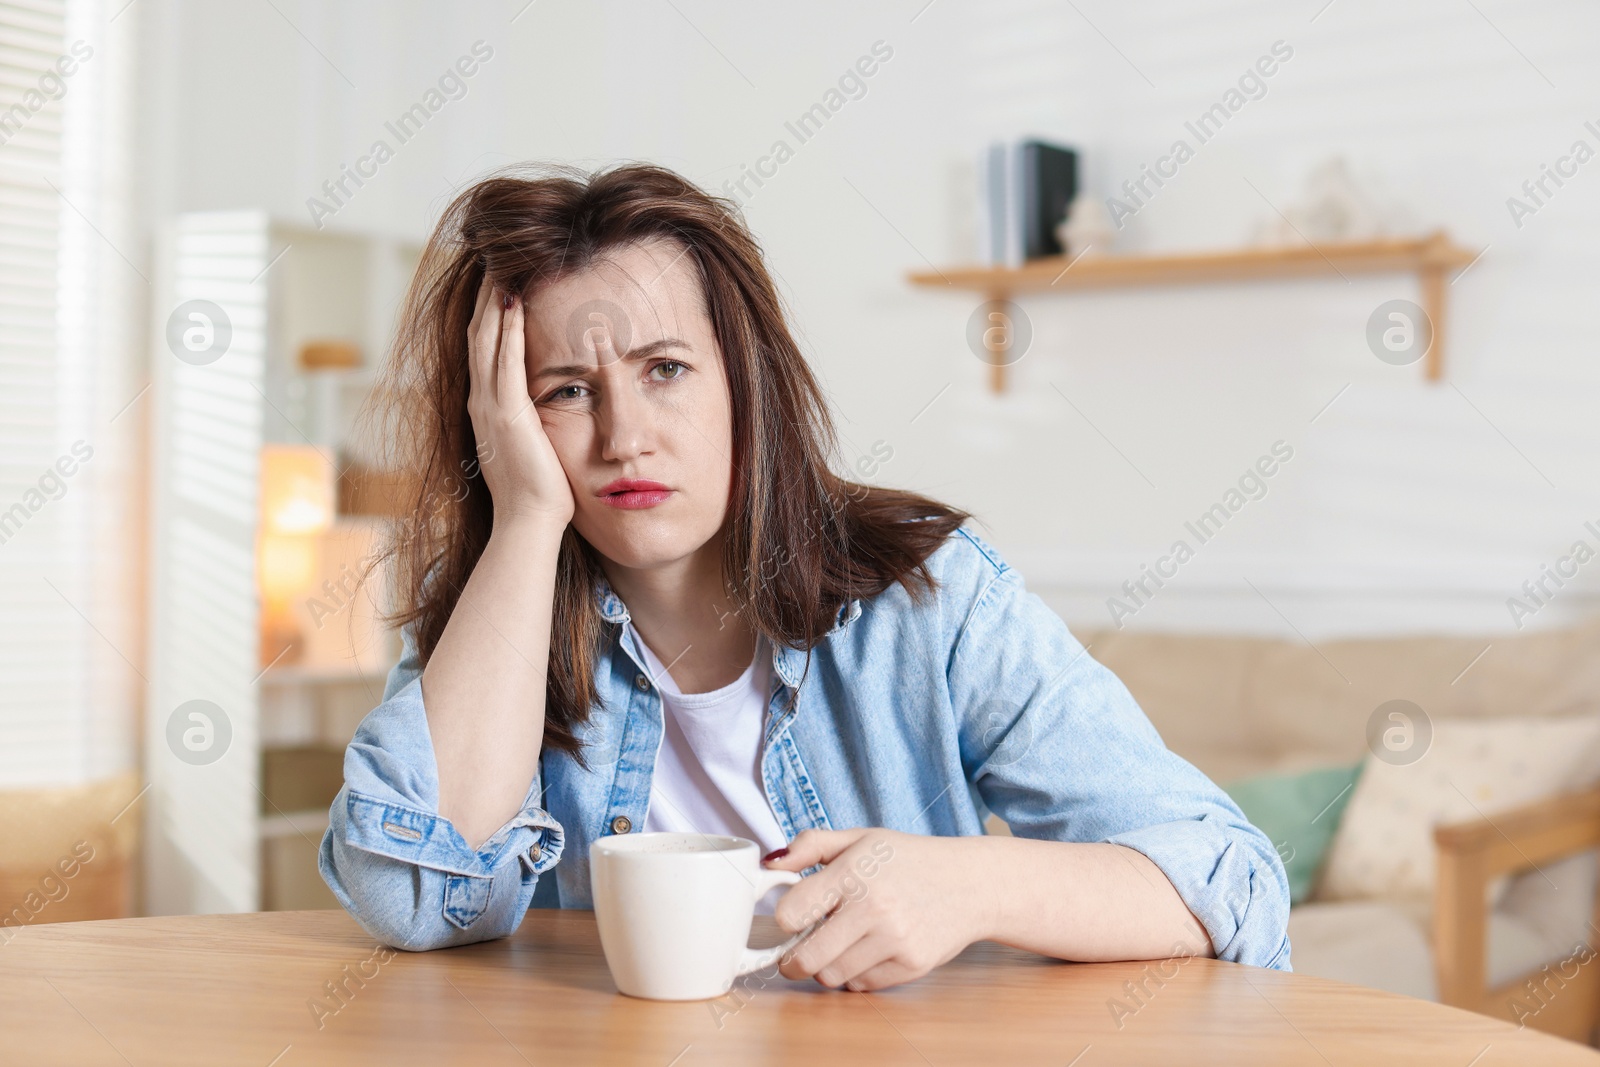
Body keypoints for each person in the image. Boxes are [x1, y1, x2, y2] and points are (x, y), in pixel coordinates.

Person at [318, 162, 1291, 993]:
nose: (623, 436)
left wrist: (975, 883)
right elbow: (413, 898)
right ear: (505, 423)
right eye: (566, 390)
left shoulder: (929, 595)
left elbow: (1229, 878)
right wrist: (528, 519)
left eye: (665, 369)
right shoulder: (498, 602)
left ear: (746, 380)